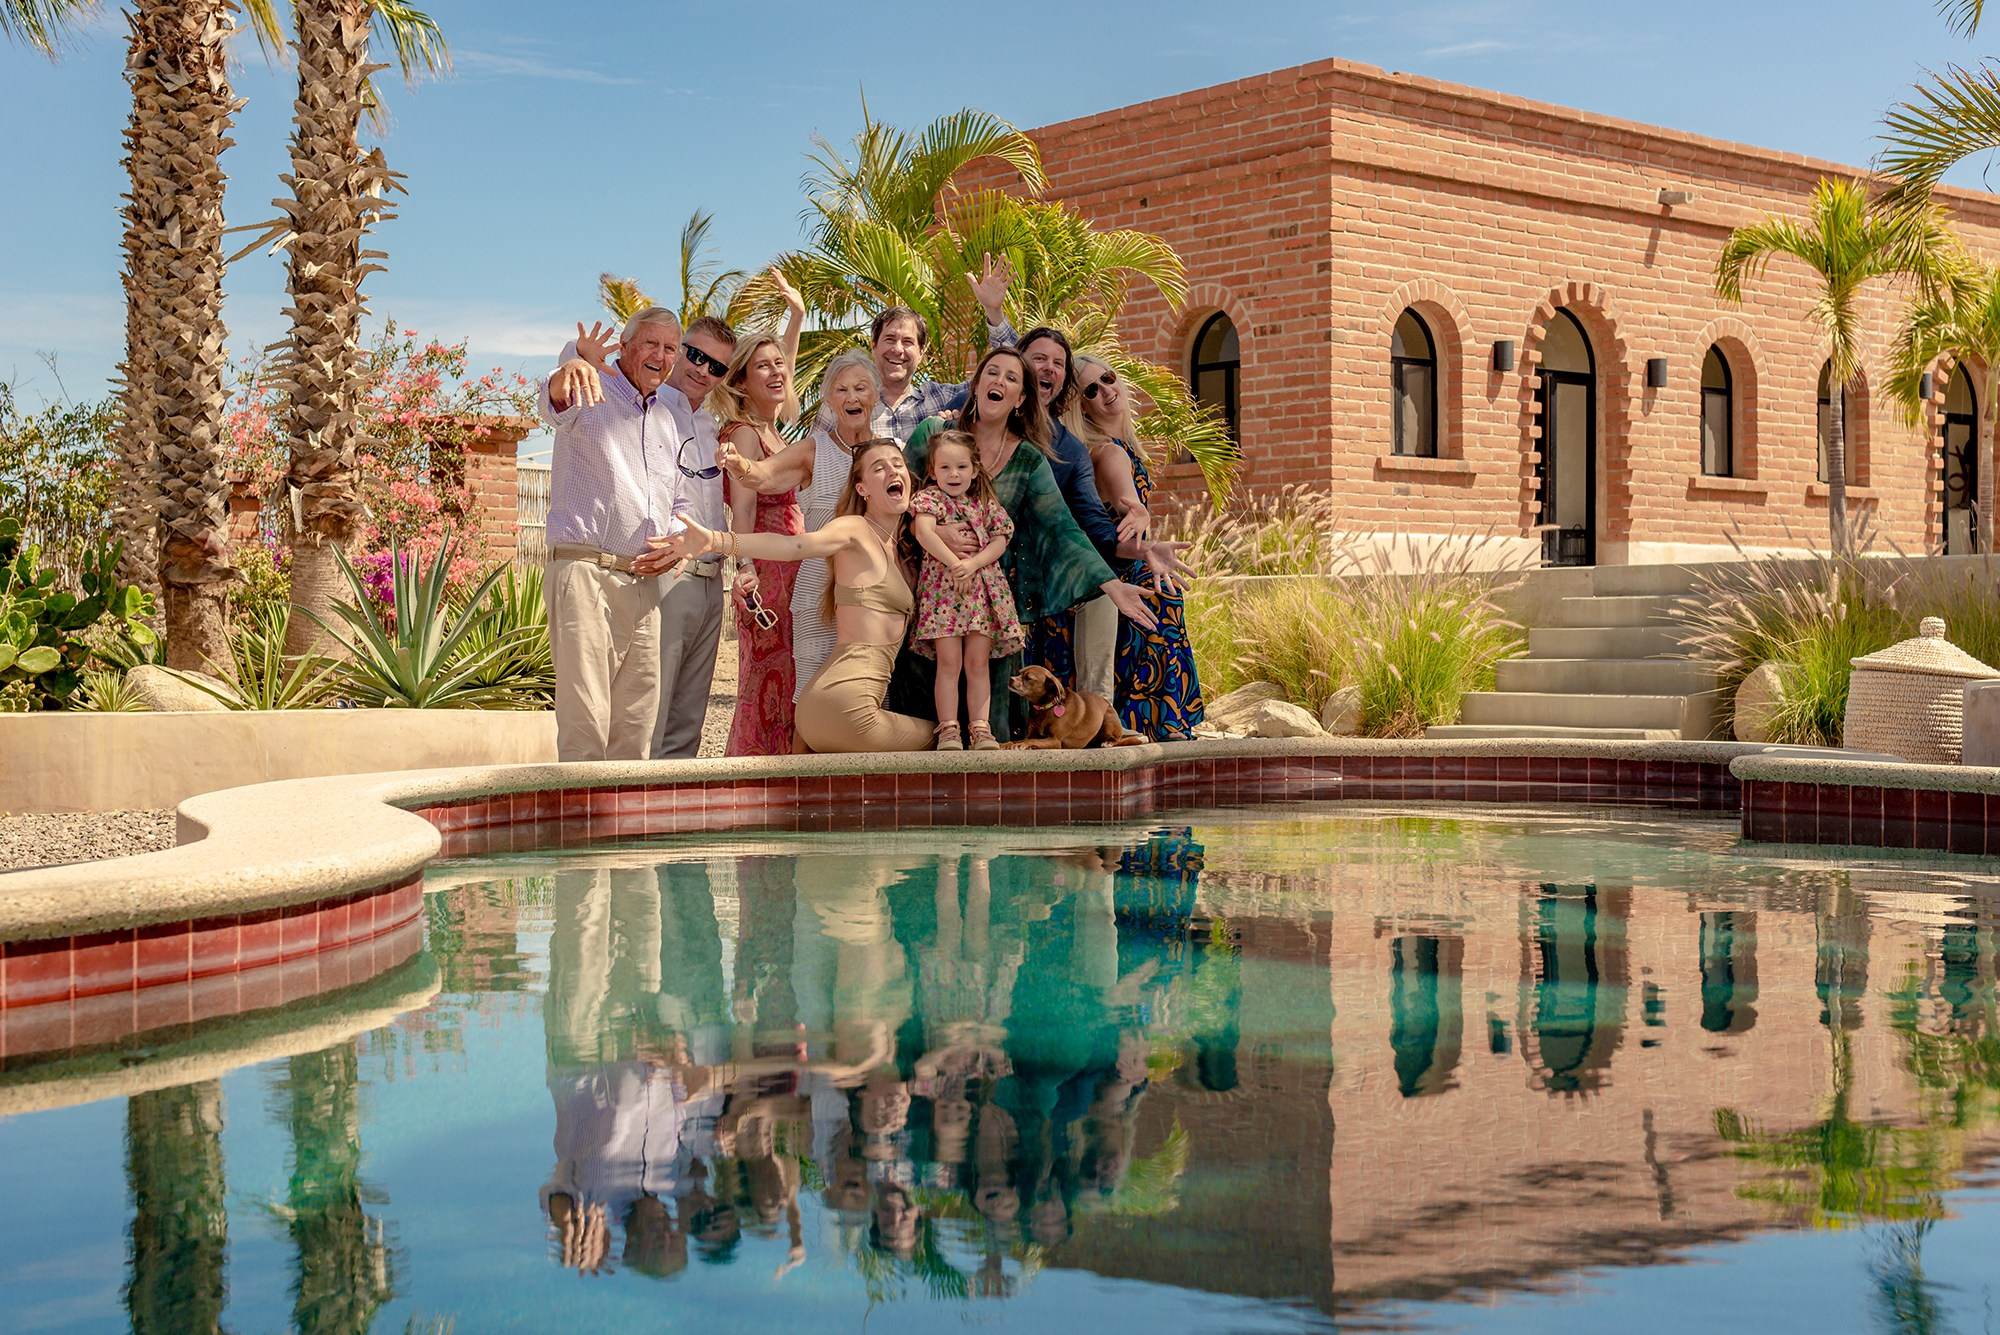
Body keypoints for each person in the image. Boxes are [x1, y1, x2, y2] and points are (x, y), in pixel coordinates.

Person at [907, 347, 1160, 741]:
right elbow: (897, 498)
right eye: (992, 373)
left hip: (990, 604)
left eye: (1011, 378)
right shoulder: (932, 435)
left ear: (1022, 398)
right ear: (977, 385)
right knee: (927, 715)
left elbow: (1062, 528)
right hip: (934, 594)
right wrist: (934, 533)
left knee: (999, 730)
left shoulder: (1028, 458)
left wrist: (1109, 585)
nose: (999, 382)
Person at [649, 440, 937, 753]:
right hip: (850, 708)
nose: (892, 470)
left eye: (897, 463)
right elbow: (793, 547)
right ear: (862, 489)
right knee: (948, 739)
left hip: (825, 705)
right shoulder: (855, 529)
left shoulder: (902, 548)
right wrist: (717, 540)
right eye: (878, 468)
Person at [537, 307, 686, 761]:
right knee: (586, 724)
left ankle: (620, 831)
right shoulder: (588, 385)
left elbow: (676, 504)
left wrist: (678, 544)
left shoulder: (666, 420)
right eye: (651, 344)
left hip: (645, 585)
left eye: (670, 348)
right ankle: (579, 831)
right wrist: (572, 362)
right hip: (586, 572)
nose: (661, 356)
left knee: (636, 729)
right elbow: (551, 399)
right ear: (624, 347)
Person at [716, 349, 881, 729]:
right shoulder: (812, 450)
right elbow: (763, 476)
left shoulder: (890, 453)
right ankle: (799, 785)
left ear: (876, 395)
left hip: (875, 594)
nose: (852, 397)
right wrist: (741, 465)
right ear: (828, 399)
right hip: (818, 590)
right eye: (841, 389)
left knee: (868, 699)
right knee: (808, 700)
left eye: (861, 388)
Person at [1066, 354, 1205, 741]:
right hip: (1112, 569)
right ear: (1081, 405)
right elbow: (1125, 520)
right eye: (1091, 390)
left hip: (1118, 563)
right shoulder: (1109, 452)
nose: (1106, 391)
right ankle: (1162, 724)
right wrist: (1142, 523)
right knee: (1162, 593)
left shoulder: (1115, 446)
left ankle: (1156, 723)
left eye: (1108, 379)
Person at [711, 330, 806, 756]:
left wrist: (798, 316)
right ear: (742, 381)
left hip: (793, 566)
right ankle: (751, 774)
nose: (776, 372)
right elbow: (743, 512)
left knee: (789, 674)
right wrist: (745, 569)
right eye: (762, 366)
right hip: (767, 571)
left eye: (780, 364)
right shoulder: (745, 433)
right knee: (763, 677)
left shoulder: (775, 432)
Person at [908, 430, 1023, 751]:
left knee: (977, 663)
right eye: (944, 468)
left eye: (960, 467)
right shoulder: (930, 500)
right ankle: (948, 730)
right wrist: (952, 562)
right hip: (944, 596)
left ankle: (981, 729)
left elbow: (1001, 540)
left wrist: (971, 565)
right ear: (932, 471)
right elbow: (923, 532)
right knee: (948, 664)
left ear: (974, 470)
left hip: (982, 596)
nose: (953, 474)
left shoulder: (985, 504)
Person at [871, 254, 1018, 442]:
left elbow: (1015, 366)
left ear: (921, 352)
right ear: (873, 345)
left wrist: (994, 311)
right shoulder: (849, 405)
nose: (898, 349)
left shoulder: (943, 398)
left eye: (908, 342)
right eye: (890, 339)